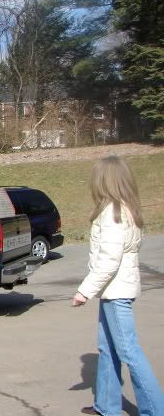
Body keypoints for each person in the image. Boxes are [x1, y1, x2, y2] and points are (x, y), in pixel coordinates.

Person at [72, 155, 163, 416]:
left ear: (104, 181)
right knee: (108, 348)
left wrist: (84, 291)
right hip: (114, 290)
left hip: (116, 292)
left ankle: (155, 410)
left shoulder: (114, 213)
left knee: (129, 352)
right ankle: (106, 406)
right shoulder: (124, 208)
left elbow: (109, 261)